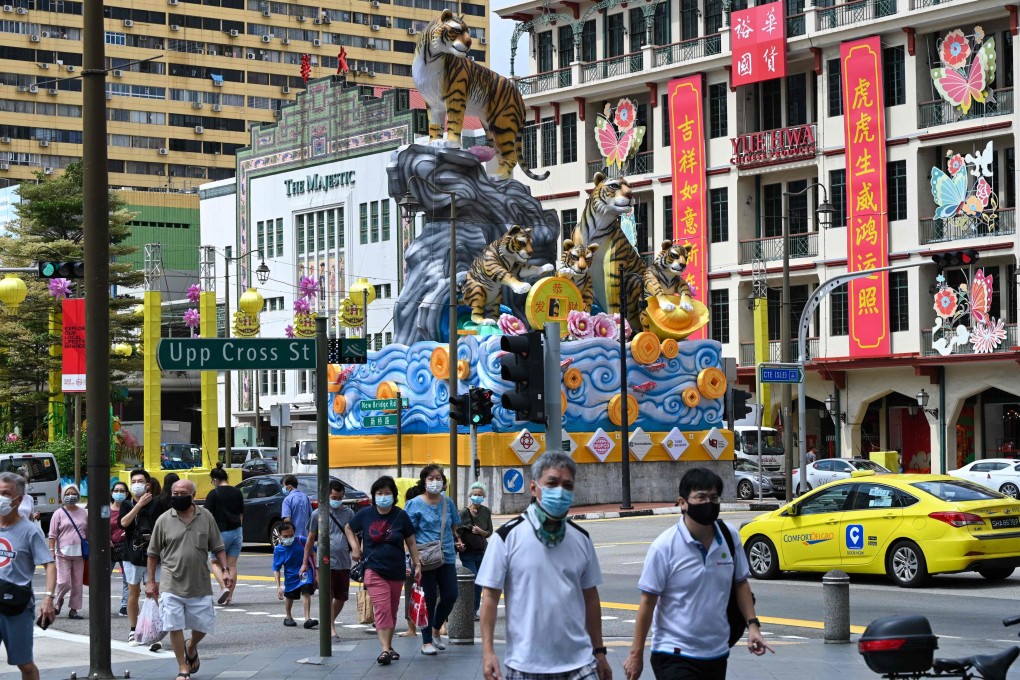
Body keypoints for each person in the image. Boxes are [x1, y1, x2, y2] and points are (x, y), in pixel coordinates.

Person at [624, 468, 772, 680]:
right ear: (683, 503)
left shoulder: (729, 537)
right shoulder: (664, 547)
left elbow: (741, 584)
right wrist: (635, 654)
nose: (708, 504)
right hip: (673, 652)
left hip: (716, 652)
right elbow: (648, 602)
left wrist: (753, 626)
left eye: (714, 498)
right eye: (700, 497)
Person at [477, 451, 611, 680]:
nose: (560, 490)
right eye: (552, 483)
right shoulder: (507, 536)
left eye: (567, 485)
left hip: (580, 664)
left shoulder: (581, 538)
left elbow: (591, 597)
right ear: (533, 488)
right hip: (526, 666)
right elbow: (489, 597)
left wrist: (599, 652)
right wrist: (488, 653)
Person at [146, 479, 232, 680]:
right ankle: (182, 667)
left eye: (182, 493)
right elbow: (152, 553)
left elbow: (218, 547)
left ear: (193, 496)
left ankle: (191, 645)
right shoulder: (164, 519)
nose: (177, 497)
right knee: (173, 625)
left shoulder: (206, 517)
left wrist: (225, 570)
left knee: (203, 626)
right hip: (170, 582)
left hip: (199, 582)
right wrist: (151, 581)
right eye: (174, 493)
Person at [346, 476, 421, 666]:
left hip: (396, 570)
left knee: (392, 609)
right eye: (379, 493)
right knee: (383, 608)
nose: (383, 496)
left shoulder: (400, 515)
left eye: (387, 493)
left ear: (394, 495)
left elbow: (411, 541)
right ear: (374, 496)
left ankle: (389, 646)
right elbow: (349, 528)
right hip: (373, 569)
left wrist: (417, 563)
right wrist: (355, 547)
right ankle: (385, 650)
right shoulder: (366, 514)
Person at [0, 471, 57, 680]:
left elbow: (50, 564)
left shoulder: (30, 531)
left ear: (19, 499)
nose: (1, 498)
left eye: (5, 494)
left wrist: (48, 598)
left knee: (24, 664)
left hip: (16, 606)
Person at [405, 465, 463, 656]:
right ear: (424, 481)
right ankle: (427, 640)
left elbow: (454, 525)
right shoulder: (414, 504)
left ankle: (437, 628)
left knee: (451, 595)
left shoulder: (448, 502)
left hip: (446, 556)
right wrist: (414, 560)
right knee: (427, 599)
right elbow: (408, 533)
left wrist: (457, 539)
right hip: (424, 557)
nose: (435, 481)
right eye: (431, 478)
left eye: (438, 478)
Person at [301, 479, 354, 641]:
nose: (337, 500)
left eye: (340, 497)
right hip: (324, 563)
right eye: (334, 497)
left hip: (344, 561)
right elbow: (310, 539)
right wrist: (304, 563)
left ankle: (328, 621)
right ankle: (331, 629)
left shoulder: (349, 514)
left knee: (341, 597)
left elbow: (355, 536)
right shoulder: (318, 514)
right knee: (327, 595)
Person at [119, 469, 167, 644]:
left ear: (148, 485)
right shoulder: (127, 504)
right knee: (133, 592)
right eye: (133, 481)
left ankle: (154, 632)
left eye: (140, 481)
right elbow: (123, 523)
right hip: (132, 554)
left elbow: (162, 526)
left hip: (153, 554)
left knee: (153, 591)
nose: (136, 484)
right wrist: (138, 505)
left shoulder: (157, 503)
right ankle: (133, 629)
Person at [204, 466, 244, 605]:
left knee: (215, 561)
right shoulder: (237, 492)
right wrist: (239, 527)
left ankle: (223, 587)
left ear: (215, 480)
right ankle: (230, 596)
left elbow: (207, 516)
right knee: (232, 564)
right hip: (237, 531)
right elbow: (241, 514)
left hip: (220, 532)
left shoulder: (213, 494)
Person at [47, 482, 87, 620]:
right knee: (64, 582)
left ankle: (74, 610)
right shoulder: (58, 513)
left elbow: (88, 532)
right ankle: (58, 601)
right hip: (62, 553)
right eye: (68, 494)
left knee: (77, 584)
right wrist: (51, 550)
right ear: (63, 496)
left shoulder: (83, 512)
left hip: (80, 553)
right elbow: (52, 535)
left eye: (74, 493)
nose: (71, 496)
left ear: (78, 495)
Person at [457, 481, 492, 621]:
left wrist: (480, 531)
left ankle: (474, 610)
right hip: (468, 552)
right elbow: (457, 531)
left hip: (481, 551)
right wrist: (459, 543)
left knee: (479, 582)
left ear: (483, 496)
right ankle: (468, 609)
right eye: (475, 494)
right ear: (470, 495)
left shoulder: (486, 512)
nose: (477, 497)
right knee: (474, 579)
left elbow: (489, 532)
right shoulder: (464, 512)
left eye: (480, 495)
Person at [273, 521, 317, 628]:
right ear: (279, 535)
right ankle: (288, 616)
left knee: (306, 591)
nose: (289, 538)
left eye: (291, 535)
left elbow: (313, 553)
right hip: (290, 577)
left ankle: (307, 619)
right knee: (290, 596)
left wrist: (316, 571)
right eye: (285, 536)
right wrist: (278, 587)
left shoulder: (301, 540)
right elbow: (276, 569)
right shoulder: (278, 550)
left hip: (305, 573)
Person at [399, 484, 423, 638]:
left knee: (410, 591)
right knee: (433, 591)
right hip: (428, 556)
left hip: (411, 559)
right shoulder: (427, 510)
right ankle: (441, 626)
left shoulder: (406, 513)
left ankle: (412, 629)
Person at [110, 480, 131, 616]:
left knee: (127, 578)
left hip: (125, 546)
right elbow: (96, 526)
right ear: (112, 493)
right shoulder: (106, 509)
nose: (118, 493)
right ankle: (102, 603)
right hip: (109, 547)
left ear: (127, 493)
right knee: (103, 578)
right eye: (116, 490)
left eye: (122, 491)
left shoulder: (129, 508)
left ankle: (125, 606)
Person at [281, 475, 312, 539]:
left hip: (293, 536)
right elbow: (311, 516)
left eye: (283, 486)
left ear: (289, 487)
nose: (283, 489)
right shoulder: (305, 497)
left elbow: (287, 519)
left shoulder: (287, 499)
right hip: (305, 536)